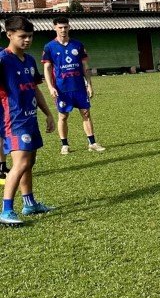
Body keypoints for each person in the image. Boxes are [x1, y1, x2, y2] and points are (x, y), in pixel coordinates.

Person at [0, 16, 56, 226]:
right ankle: (6, 210)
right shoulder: (3, 60)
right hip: (13, 120)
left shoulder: (30, 60)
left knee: (29, 163)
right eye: (22, 36)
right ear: (9, 35)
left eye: (30, 36)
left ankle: (29, 203)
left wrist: (48, 113)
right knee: (21, 162)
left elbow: (34, 88)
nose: (27, 40)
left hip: (30, 118)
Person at [41, 16, 105, 153]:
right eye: (60, 27)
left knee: (86, 113)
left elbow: (85, 66)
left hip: (79, 87)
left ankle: (92, 143)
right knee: (63, 116)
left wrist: (89, 84)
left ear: (69, 27)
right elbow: (47, 68)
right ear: (54, 28)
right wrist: (50, 87)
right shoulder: (49, 47)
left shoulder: (78, 45)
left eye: (65, 27)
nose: (63, 30)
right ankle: (64, 145)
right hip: (62, 88)